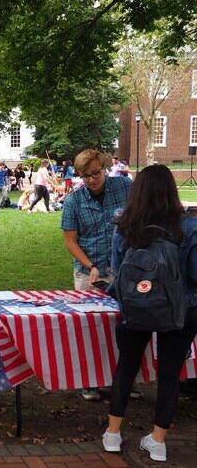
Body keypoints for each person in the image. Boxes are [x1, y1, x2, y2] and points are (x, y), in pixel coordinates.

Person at [102, 165, 197, 462]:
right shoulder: (189, 227)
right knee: (170, 373)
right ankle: (157, 441)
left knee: (126, 366)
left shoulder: (125, 225)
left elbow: (117, 269)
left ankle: (113, 433)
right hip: (182, 308)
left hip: (136, 305)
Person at [61, 148, 132, 401]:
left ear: (104, 167)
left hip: (124, 270)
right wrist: (90, 265)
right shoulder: (73, 201)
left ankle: (123, 380)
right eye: (86, 176)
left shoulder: (124, 187)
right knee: (89, 328)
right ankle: (89, 381)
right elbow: (70, 241)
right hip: (88, 272)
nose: (92, 179)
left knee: (125, 327)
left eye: (96, 173)